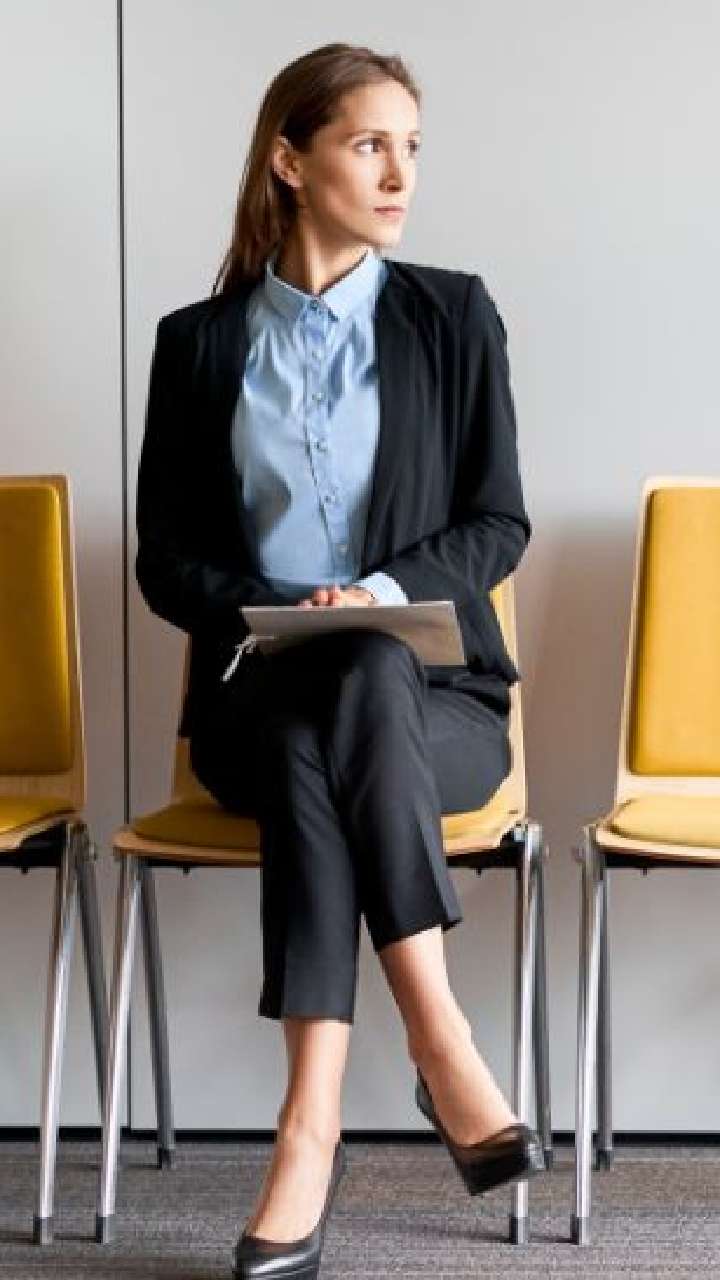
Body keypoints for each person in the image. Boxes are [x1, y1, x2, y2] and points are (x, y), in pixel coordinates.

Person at [135, 40, 542, 1280]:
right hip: (256, 705)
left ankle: (307, 1128)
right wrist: (280, 607)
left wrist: (372, 597)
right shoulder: (199, 344)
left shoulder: (453, 315)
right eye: (371, 144)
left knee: (360, 678)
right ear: (289, 160)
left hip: (442, 710)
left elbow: (496, 521)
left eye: (410, 146)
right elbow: (168, 560)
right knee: (328, 695)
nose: (400, 173)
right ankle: (441, 1038)